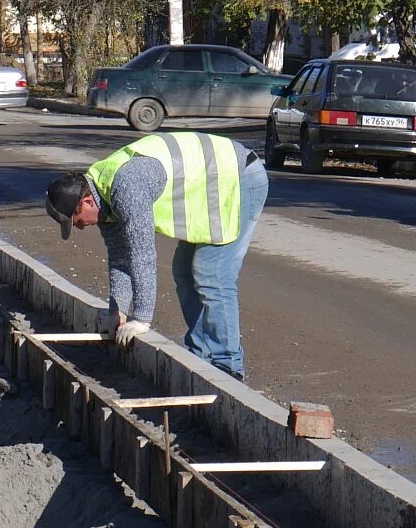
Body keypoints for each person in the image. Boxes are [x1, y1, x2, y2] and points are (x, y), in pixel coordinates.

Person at [43, 132, 269, 380]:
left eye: (76, 221)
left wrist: (140, 318)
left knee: (211, 273)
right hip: (212, 187)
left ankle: (227, 366)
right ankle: (202, 356)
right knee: (183, 271)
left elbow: (142, 256)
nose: (79, 227)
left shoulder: (127, 187)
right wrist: (116, 312)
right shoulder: (104, 195)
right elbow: (121, 258)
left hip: (238, 177)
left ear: (86, 202)